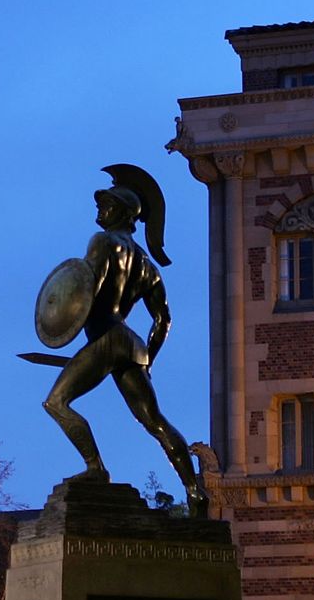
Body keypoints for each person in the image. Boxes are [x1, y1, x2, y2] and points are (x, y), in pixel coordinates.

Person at [39, 165, 207, 516]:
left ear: (125, 213)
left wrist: (75, 335)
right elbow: (163, 319)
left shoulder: (102, 242)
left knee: (56, 402)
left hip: (106, 337)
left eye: (107, 204)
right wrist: (149, 360)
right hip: (131, 344)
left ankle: (95, 467)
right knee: (155, 421)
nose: (99, 209)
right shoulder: (147, 265)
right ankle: (195, 491)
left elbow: (90, 287)